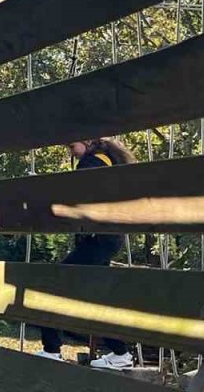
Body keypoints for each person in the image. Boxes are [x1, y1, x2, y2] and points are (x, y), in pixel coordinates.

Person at [35, 137, 137, 370]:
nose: (71, 153)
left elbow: (73, 195)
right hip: (107, 239)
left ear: (88, 141)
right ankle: (120, 352)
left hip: (98, 241)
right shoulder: (107, 161)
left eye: (72, 147)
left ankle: (51, 349)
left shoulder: (92, 164)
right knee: (98, 296)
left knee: (53, 283)